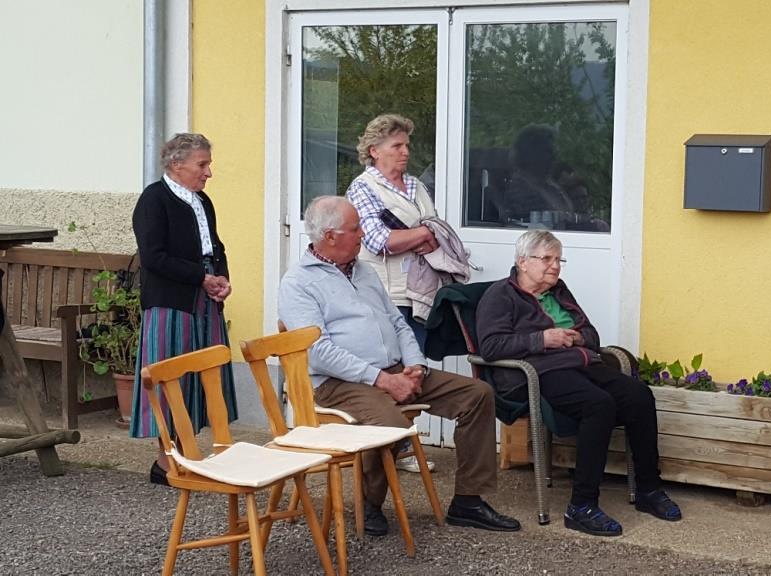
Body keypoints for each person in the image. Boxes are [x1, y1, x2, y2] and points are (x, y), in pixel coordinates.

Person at [278, 195, 521, 536]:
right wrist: (381, 379)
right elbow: (318, 352)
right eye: (355, 228)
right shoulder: (298, 283)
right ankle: (369, 503)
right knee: (390, 424)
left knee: (477, 394)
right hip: (339, 384)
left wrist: (415, 365)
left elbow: (397, 322)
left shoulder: (364, 271)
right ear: (330, 236)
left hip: (394, 370)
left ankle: (468, 501)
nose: (363, 234)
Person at [476, 230, 682, 537]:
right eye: (547, 259)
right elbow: (491, 347)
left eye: (559, 259)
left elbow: (592, 336)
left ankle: (648, 490)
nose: (555, 266)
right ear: (523, 262)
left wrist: (577, 338)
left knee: (639, 395)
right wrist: (543, 339)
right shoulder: (500, 296)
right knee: (598, 405)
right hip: (541, 371)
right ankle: (581, 506)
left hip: (582, 363)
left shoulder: (559, 291)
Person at [130, 133, 237, 486]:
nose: (208, 173)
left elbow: (215, 247)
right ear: (177, 164)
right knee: (170, 379)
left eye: (208, 164)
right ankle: (166, 463)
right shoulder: (154, 199)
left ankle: (191, 454)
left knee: (203, 378)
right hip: (170, 303)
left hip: (204, 300)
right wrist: (201, 278)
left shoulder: (202, 201)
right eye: (202, 165)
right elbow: (153, 257)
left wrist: (222, 279)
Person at [347, 114, 443, 474]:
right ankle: (386, 449)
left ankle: (400, 446)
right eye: (397, 146)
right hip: (385, 292)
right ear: (374, 150)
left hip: (420, 291)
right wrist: (422, 234)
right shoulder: (363, 187)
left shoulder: (416, 186)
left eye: (407, 145)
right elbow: (378, 240)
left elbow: (436, 230)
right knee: (389, 370)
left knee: (414, 368)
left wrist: (419, 235)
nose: (406, 152)